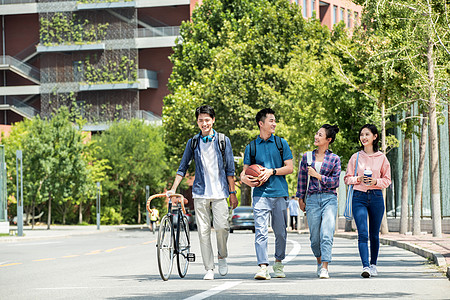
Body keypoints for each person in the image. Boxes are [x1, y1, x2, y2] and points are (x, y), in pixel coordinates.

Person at [169, 105, 238, 280]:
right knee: (203, 231)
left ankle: (222, 255)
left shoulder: (223, 140)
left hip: (220, 192)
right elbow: (182, 167)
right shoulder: (193, 142)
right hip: (200, 193)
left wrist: (233, 193)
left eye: (207, 120)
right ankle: (209, 268)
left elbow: (230, 169)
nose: (204, 123)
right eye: (201, 120)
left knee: (222, 227)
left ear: (213, 120)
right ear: (197, 122)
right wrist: (173, 189)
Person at [240, 108, 293, 280]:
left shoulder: (281, 143)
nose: (274, 123)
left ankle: (278, 263)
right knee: (261, 232)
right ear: (261, 123)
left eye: (275, 120)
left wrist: (271, 171)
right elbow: (244, 172)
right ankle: (263, 267)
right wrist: (247, 180)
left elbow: (290, 168)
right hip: (260, 195)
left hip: (279, 193)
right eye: (271, 120)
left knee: (280, 232)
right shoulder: (252, 146)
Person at [344, 124, 391, 278]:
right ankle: (365, 266)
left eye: (367, 134)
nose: (363, 137)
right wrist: (358, 179)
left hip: (377, 197)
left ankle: (373, 264)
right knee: (362, 233)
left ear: (375, 137)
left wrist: (375, 182)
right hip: (359, 197)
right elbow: (347, 179)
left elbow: (387, 180)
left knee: (374, 234)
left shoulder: (382, 158)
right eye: (361, 135)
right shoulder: (355, 157)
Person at [296, 124, 341, 279]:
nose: (316, 136)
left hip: (329, 198)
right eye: (316, 133)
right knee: (314, 238)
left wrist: (318, 176)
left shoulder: (334, 159)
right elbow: (301, 179)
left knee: (326, 234)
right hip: (312, 199)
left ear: (328, 139)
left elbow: (335, 182)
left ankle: (325, 267)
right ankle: (319, 260)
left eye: (320, 135)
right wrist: (300, 198)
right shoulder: (307, 157)